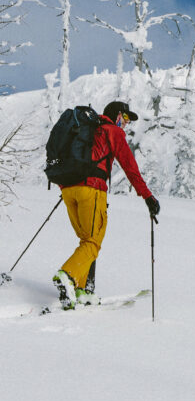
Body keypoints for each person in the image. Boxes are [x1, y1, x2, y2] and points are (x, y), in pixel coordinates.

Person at [52, 100, 160, 310]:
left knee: (86, 241)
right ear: (117, 115)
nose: (127, 123)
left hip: (68, 190)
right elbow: (130, 167)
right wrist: (147, 197)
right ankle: (67, 275)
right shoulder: (112, 131)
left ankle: (82, 291)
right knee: (93, 243)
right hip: (91, 190)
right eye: (126, 118)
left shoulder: (88, 130)